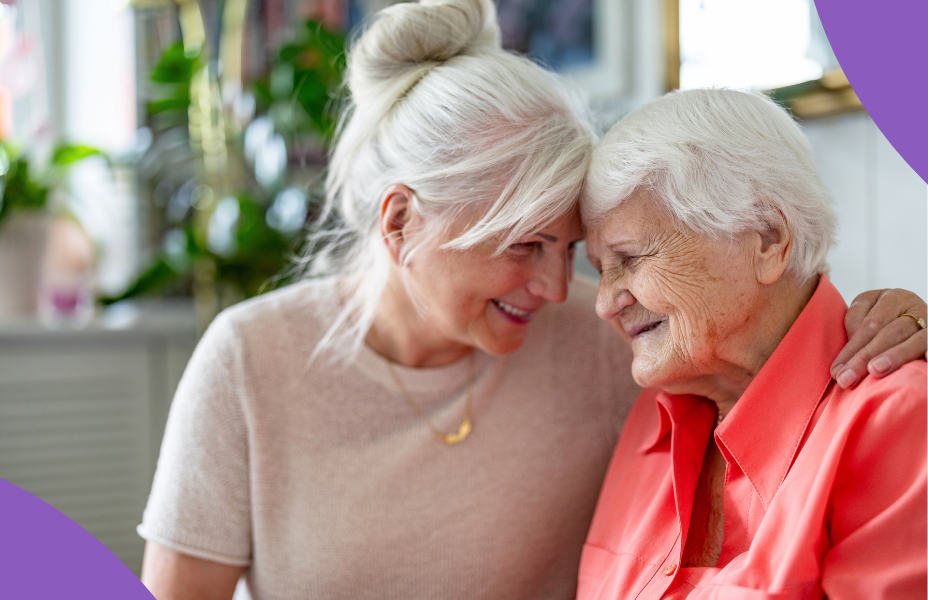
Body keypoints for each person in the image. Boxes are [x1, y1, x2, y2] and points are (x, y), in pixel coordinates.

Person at [137, 1, 927, 597]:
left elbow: (771, 338)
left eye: (575, 251)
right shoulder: (248, 359)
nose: (564, 292)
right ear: (402, 221)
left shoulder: (620, 354)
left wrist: (896, 318)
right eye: (524, 246)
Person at [578, 88, 927, 600]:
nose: (604, 302)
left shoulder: (895, 418)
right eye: (598, 271)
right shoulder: (650, 417)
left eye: (629, 258)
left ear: (766, 238)